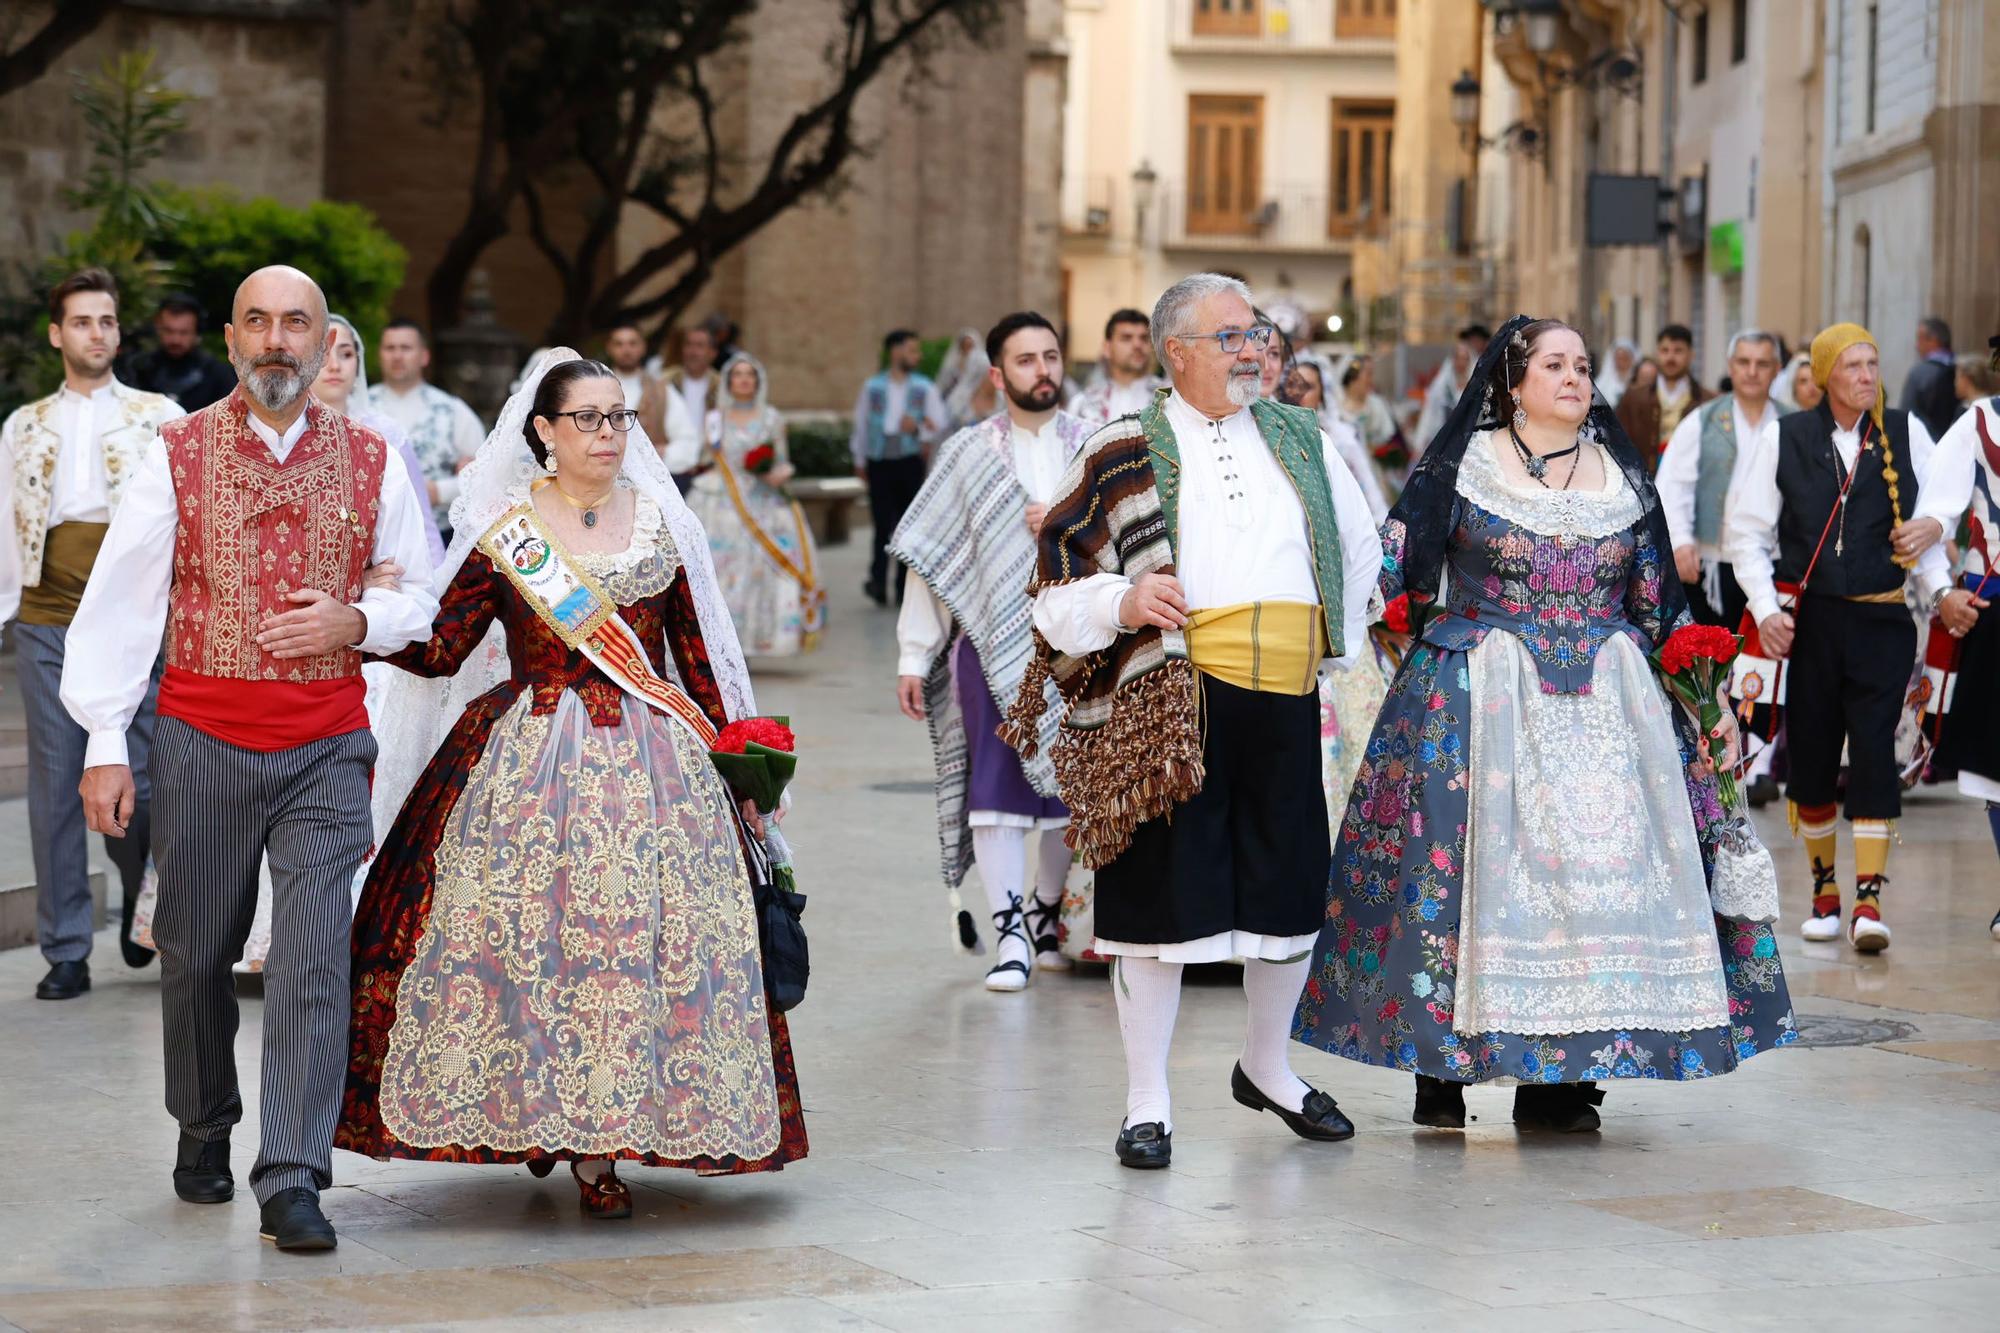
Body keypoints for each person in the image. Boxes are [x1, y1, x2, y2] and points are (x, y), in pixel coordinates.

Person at [1295, 316, 1796, 1134]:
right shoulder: (1465, 466)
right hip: (1479, 695)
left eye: (1583, 365)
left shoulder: (1622, 480)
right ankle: (1440, 1067)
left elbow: (1657, 604)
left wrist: (1707, 703)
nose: (1573, 377)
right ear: (1512, 381)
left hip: (1610, 706)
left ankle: (1563, 1075)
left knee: (1593, 887)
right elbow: (1390, 563)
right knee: (1457, 878)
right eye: (1554, 364)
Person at [338, 350, 806, 1220]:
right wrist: (358, 621)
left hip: (658, 772)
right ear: (545, 432)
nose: (607, 433)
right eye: (587, 418)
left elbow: (698, 664)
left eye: (619, 416)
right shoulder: (510, 532)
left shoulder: (662, 528)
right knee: (533, 945)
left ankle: (599, 1143)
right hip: (525, 765)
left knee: (630, 952)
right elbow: (441, 649)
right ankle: (540, 1113)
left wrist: (745, 772)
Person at [61, 265, 438, 1251]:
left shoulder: (375, 459)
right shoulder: (174, 455)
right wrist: (107, 740)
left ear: (323, 345)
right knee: (193, 949)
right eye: (259, 323)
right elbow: (122, 604)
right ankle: (203, 1121)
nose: (278, 340)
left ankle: (292, 1175)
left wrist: (358, 616)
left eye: (297, 324)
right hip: (200, 743)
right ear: (231, 341)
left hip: (324, 748)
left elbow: (421, 599)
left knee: (314, 959)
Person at [1003, 272, 1380, 1169]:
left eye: (1256, 334)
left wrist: (1336, 642)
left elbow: (1361, 548)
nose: (1253, 349)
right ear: (1178, 353)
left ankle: (1269, 1066)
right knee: (1162, 910)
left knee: (1287, 899)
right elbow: (1053, 585)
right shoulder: (1122, 445)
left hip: (1285, 697)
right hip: (1175, 701)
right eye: (1232, 336)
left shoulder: (1302, 437)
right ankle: (1147, 1101)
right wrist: (1127, 598)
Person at [1724, 322, 1952, 953]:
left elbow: (1937, 518)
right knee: (1817, 753)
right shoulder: (1786, 437)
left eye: (1873, 363)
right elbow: (1746, 533)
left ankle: (1869, 904)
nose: (1867, 376)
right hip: (1813, 622)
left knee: (1875, 751)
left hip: (1883, 620)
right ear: (1824, 375)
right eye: (1852, 366)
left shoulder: (1907, 433)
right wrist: (1766, 608)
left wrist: (1933, 544)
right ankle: (1825, 894)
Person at [890, 313, 1091, 992]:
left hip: (1085, 644)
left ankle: (1042, 913)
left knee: (1076, 791)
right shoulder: (968, 454)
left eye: (1052, 356)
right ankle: (1009, 932)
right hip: (990, 647)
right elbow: (934, 559)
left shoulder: (1097, 445)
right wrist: (913, 654)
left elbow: (1136, 534)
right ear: (998, 375)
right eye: (1027, 360)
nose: (1043, 371)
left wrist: (1068, 519)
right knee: (995, 792)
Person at [0, 268, 183, 999]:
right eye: (82, 321)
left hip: (132, 620)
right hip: (46, 617)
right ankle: (66, 947)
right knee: (54, 783)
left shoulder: (160, 413)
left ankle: (145, 911)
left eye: (107, 321)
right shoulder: (22, 424)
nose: (96, 333)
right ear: (57, 333)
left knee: (143, 776)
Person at [1906, 349, 1998, 937]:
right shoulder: (1980, 422)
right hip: (1996, 605)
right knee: (1998, 766)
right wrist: (1941, 593)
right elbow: (1931, 516)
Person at [686, 353, 824, 657]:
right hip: (722, 502)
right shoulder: (715, 419)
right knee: (722, 571)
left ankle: (756, 639)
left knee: (761, 571)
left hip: (763, 501)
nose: (744, 380)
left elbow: (784, 461)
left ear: (757, 382)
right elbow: (703, 459)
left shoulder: (772, 417)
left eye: (750, 375)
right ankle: (719, 645)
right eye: (738, 374)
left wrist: (777, 473)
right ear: (728, 381)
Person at [1657, 330, 1783, 628]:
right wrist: (1681, 541)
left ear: (1777, 369)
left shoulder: (1790, 424)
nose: (1752, 372)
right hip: (1711, 564)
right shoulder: (1703, 421)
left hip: (1773, 563)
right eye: (1743, 362)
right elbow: (1674, 485)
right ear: (1730, 366)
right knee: (1712, 662)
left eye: (1762, 364)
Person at [850, 329, 948, 606]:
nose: (916, 356)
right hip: (879, 458)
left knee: (907, 525)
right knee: (881, 523)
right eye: (911, 350)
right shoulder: (872, 387)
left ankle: (904, 585)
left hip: (908, 460)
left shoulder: (924, 387)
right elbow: (861, 423)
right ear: (895, 351)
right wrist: (859, 459)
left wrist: (918, 428)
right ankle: (877, 581)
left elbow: (940, 423)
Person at [373, 319, 487, 533]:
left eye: (405, 348)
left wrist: (440, 492)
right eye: (390, 348)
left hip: (441, 534)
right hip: (375, 534)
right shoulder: (361, 409)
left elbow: (485, 475)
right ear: (380, 355)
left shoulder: (453, 410)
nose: (397, 355)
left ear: (424, 356)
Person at [1283, 356, 1388, 522]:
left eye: (1308, 386)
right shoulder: (1274, 434)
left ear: (1322, 395)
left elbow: (1368, 487)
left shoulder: (1340, 437)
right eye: (1292, 385)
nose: (1298, 394)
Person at [605, 322, 699, 479]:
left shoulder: (662, 390)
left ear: (643, 348)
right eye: (619, 344)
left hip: (649, 485)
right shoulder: (593, 388)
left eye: (632, 343)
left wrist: (657, 454)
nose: (626, 350)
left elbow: (688, 442)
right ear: (609, 348)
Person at [1616, 325, 1711, 471]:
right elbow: (1617, 444)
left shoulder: (1706, 401)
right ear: (1657, 353)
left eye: (1678, 351)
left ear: (1691, 355)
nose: (1670, 357)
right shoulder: (1634, 398)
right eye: (1665, 350)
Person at [123, 293, 237, 411]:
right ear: (158, 328)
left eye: (184, 332)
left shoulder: (219, 376)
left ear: (197, 333)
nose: (175, 340)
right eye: (169, 331)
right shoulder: (139, 370)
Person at [1069, 308, 1166, 427]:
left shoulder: (1170, 400)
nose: (1137, 345)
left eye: (1144, 338)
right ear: (1107, 348)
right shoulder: (1082, 405)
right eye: (1126, 338)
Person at [1414, 324, 1491, 456]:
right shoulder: (1443, 386)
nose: (1461, 363)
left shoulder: (1477, 386)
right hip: (1443, 440)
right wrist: (1420, 441)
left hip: (1469, 443)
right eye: (1458, 358)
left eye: (1464, 359)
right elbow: (1430, 411)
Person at [1901, 316, 1959, 442]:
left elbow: (1906, 415)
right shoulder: (1964, 370)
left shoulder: (1920, 373)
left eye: (1919, 339)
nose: (1916, 345)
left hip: (1927, 446)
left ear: (1933, 341)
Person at [935, 327, 984, 400]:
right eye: (965, 345)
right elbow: (944, 381)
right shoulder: (952, 361)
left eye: (970, 346)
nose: (967, 349)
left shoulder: (981, 364)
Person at [1595, 338, 1640, 407]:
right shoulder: (1602, 384)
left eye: (1625, 358)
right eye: (1619, 359)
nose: (1621, 363)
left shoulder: (1638, 382)